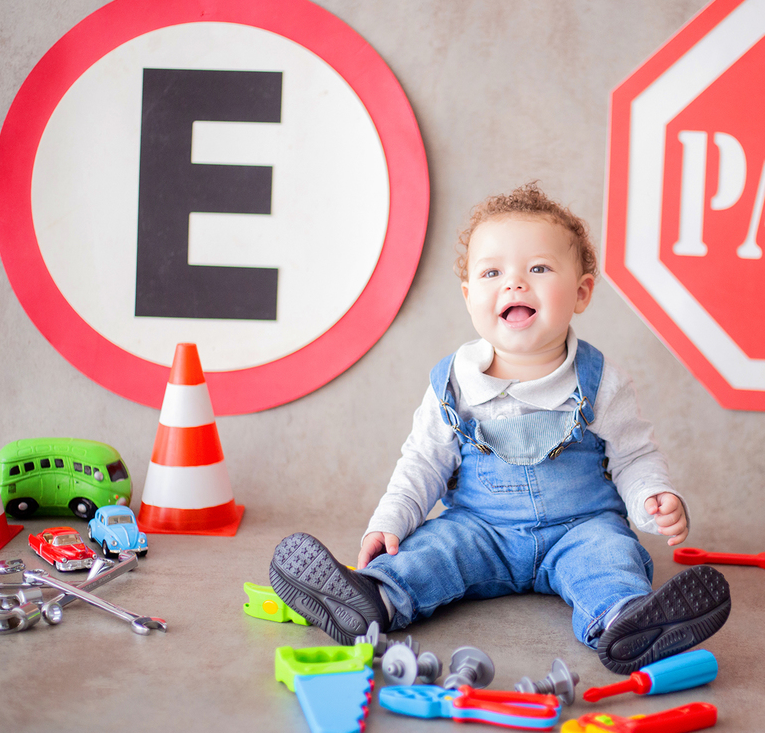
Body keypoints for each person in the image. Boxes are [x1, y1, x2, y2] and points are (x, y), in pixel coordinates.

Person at [270, 183, 729, 674]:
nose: (514, 284)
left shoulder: (600, 381)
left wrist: (652, 498)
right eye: (493, 273)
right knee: (433, 552)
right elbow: (423, 461)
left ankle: (628, 620)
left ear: (581, 293)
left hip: (581, 527)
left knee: (610, 559)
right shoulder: (454, 383)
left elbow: (634, 456)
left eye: (538, 268)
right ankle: (373, 599)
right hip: (480, 529)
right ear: (469, 296)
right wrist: (391, 521)